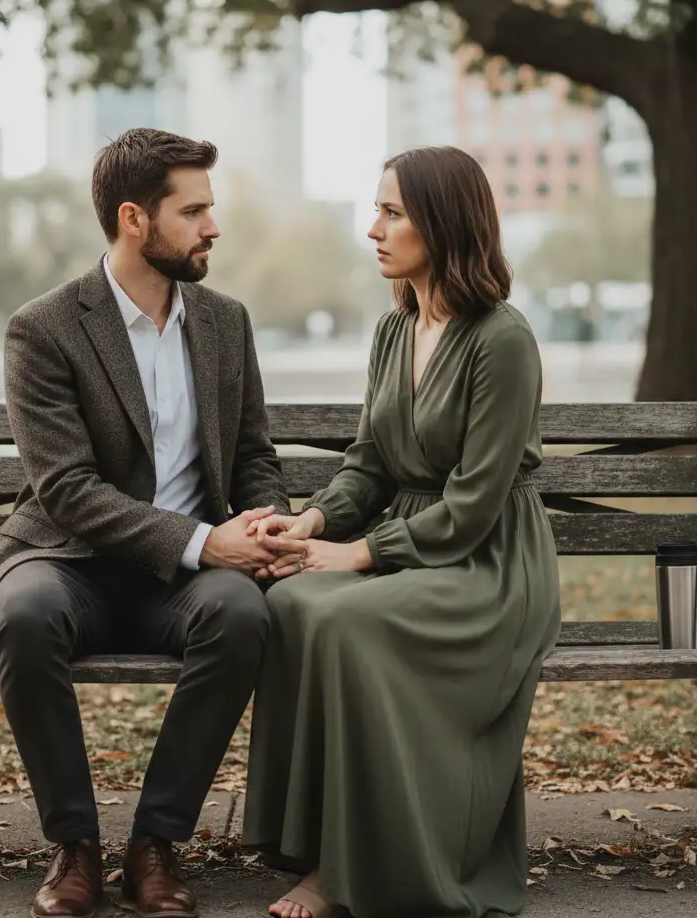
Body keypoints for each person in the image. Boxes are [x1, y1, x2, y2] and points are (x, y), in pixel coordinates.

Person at [0, 127, 298, 918]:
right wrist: (203, 541)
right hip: (68, 561)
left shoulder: (225, 322)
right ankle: (74, 846)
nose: (213, 227)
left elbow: (253, 454)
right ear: (133, 218)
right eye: (193, 212)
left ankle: (155, 844)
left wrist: (268, 523)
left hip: (182, 583)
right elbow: (66, 489)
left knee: (241, 614)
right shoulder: (45, 327)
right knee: (25, 613)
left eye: (210, 209)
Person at [241, 146, 562, 918]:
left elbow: (475, 505)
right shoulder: (395, 331)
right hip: (413, 548)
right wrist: (312, 520)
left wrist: (357, 554)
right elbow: (370, 466)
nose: (373, 229)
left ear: (443, 224)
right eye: (377, 210)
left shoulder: (502, 340)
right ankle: (311, 843)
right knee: (289, 602)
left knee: (344, 621)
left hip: (489, 566)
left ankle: (345, 872)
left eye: (392, 213)